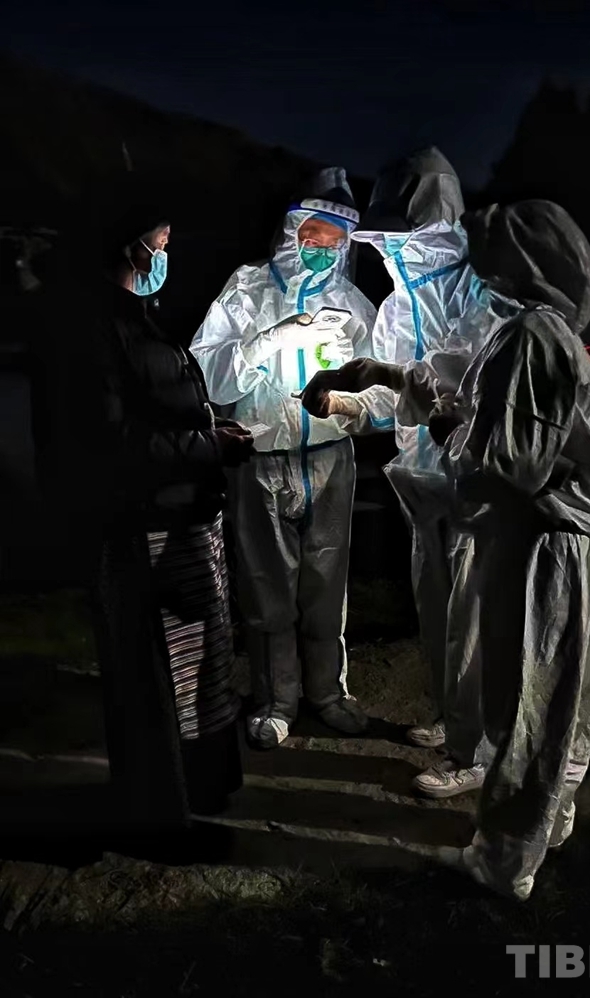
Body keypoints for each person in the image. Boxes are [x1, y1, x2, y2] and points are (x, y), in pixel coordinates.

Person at [301, 148, 517, 797]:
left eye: (407, 236)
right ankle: (456, 719)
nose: (397, 249)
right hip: (421, 482)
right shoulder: (399, 304)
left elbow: (468, 389)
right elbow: (391, 394)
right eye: (390, 238)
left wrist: (393, 381)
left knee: (476, 618)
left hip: (477, 479)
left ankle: (480, 750)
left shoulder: (483, 294)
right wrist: (345, 403)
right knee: (437, 612)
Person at [39, 180, 253, 827]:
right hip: (146, 527)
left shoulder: (137, 314)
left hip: (184, 517)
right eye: (159, 240)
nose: (166, 251)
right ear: (129, 244)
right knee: (161, 672)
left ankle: (203, 788)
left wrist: (208, 427)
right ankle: (164, 806)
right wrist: (206, 445)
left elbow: (156, 398)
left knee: (198, 664)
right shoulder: (91, 324)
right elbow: (109, 438)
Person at [429, 200, 590, 900]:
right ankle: (549, 818)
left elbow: (511, 464)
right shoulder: (553, 334)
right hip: (565, 538)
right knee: (564, 693)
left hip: (543, 545)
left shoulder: (534, 335)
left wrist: (448, 432)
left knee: (524, 699)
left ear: (521, 265)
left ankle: (504, 859)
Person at [190, 168, 387, 749]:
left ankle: (328, 693)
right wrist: (267, 340)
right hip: (262, 460)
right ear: (292, 230)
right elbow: (210, 375)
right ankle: (276, 699)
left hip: (329, 461)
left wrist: (351, 390)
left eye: (334, 240)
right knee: (266, 585)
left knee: (327, 585)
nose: (322, 248)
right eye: (313, 235)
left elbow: (381, 389)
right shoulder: (248, 288)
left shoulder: (350, 302)